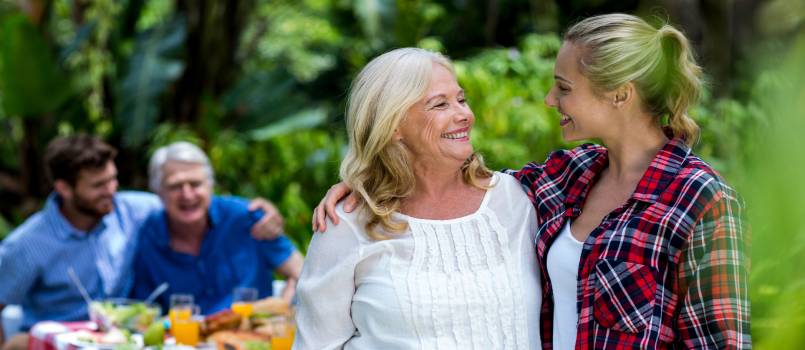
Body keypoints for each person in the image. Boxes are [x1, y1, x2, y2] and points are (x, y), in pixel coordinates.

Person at [314, 14, 750, 349]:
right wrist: (368, 180)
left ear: (620, 93)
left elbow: (719, 341)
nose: (549, 100)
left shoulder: (700, 199)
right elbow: (457, 188)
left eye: (564, 87)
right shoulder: (569, 178)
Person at [293, 48, 542, 350]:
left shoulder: (516, 199)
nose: (464, 115)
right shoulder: (346, 222)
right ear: (393, 125)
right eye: (440, 105)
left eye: (461, 100)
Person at [0, 135, 285, 350]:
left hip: (119, 339)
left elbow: (192, 202)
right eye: (98, 186)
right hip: (57, 341)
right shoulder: (27, 244)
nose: (111, 192)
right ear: (64, 188)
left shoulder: (132, 209)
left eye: (113, 180)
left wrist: (263, 211)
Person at [131, 141, 304, 315]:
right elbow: (145, 310)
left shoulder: (246, 217)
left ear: (210, 185)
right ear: (158, 192)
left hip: (253, 337)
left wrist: (282, 307)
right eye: (175, 186)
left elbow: (302, 273)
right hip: (185, 341)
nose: (187, 194)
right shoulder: (149, 236)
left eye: (195, 184)